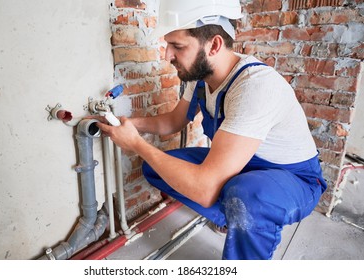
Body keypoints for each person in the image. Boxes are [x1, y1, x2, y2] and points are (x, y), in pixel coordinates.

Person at [96, 0, 327, 260]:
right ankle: (234, 215)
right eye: (167, 44)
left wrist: (136, 144)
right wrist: (126, 124)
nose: (167, 55)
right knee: (156, 167)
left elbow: (205, 191)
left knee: (246, 196)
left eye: (177, 46)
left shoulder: (255, 87)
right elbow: (172, 122)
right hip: (243, 166)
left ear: (214, 45)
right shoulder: (201, 78)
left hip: (292, 178)